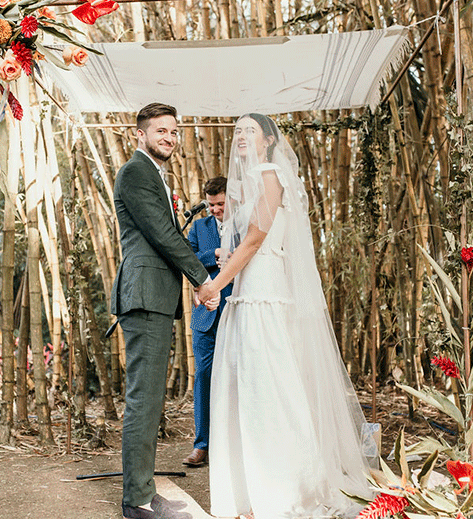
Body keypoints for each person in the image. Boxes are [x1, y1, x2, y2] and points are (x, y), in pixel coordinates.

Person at [196, 114, 376, 518]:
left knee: (270, 388)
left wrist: (216, 284)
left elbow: (257, 239)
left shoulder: (271, 174)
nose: (241, 136)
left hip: (263, 297)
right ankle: (252, 487)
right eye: (237, 130)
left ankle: (286, 487)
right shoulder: (248, 184)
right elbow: (249, 242)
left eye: (250, 130)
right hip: (248, 293)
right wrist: (225, 271)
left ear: (270, 139)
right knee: (249, 389)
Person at [110, 103, 219, 519]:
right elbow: (162, 234)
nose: (169, 137)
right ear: (140, 134)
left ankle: (145, 490)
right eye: (161, 130)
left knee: (151, 399)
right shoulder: (136, 172)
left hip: (156, 293)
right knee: (144, 398)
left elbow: (169, 234)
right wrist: (200, 279)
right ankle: (136, 501)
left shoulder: (156, 174)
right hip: (144, 293)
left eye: (174, 131)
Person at [182, 177, 233, 468]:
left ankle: (234, 444)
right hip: (205, 316)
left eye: (220, 204)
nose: (214, 209)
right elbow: (186, 257)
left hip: (237, 310)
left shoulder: (245, 225)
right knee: (203, 376)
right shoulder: (199, 227)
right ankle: (202, 445)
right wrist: (212, 254)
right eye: (211, 204)